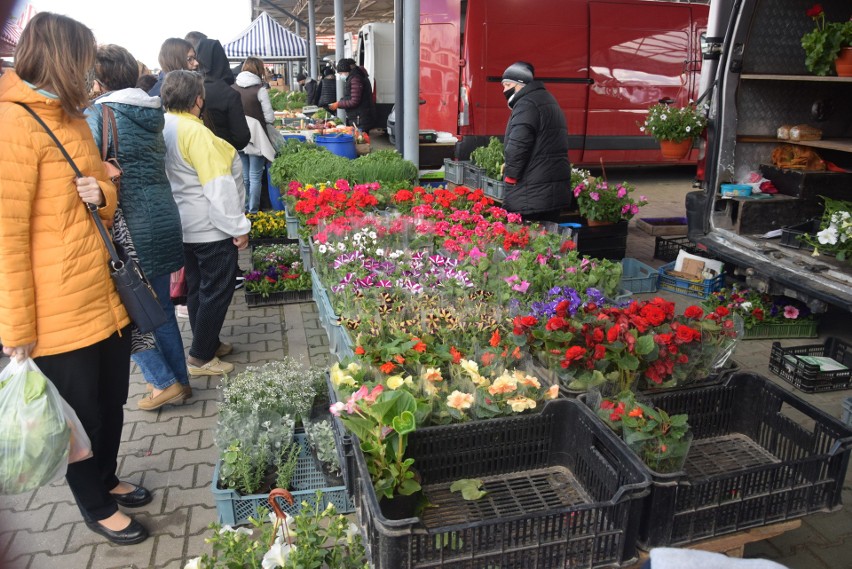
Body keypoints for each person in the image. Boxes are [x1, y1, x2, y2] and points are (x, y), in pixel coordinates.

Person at [0, 12, 148, 545]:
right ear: (63, 58)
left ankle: (106, 479)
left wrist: (101, 193)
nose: (91, 71)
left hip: (103, 294)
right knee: (79, 418)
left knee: (111, 401)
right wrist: (16, 331)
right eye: (84, 59)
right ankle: (93, 504)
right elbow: (6, 239)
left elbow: (102, 203)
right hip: (56, 311)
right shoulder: (12, 125)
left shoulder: (74, 118)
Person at [86, 44, 189, 411]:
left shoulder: (99, 115)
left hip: (128, 225)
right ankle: (180, 381)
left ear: (99, 79)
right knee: (157, 307)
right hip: (162, 216)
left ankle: (162, 382)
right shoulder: (152, 110)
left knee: (131, 308)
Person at [160, 69, 251, 377]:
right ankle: (200, 357)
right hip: (209, 227)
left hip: (183, 224)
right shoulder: (196, 133)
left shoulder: (165, 125)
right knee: (217, 289)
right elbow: (218, 185)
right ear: (198, 99)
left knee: (198, 287)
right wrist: (238, 228)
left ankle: (207, 342)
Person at [500, 61, 573, 223]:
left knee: (529, 240)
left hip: (532, 190)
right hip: (550, 186)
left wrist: (511, 176)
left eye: (507, 84)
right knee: (548, 238)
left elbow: (518, 145)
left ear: (520, 83)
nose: (504, 90)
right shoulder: (547, 99)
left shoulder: (526, 104)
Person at [233, 57, 276, 214]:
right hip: (257, 139)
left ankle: (244, 209)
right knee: (255, 176)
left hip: (238, 138)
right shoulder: (260, 89)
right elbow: (270, 118)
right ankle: (253, 211)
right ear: (259, 70)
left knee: (244, 176)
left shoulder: (232, 88)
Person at [194, 37, 250, 151]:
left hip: (190, 156)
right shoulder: (229, 94)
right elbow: (241, 137)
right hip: (222, 154)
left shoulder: (188, 88)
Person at [329, 58, 375, 133]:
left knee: (360, 140)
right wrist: (341, 101)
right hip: (358, 116)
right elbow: (350, 96)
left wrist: (338, 104)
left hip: (359, 117)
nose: (340, 76)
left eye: (340, 74)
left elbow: (354, 100)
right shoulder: (354, 77)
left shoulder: (355, 79)